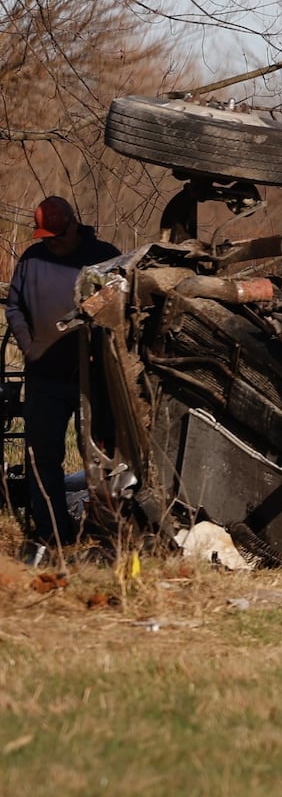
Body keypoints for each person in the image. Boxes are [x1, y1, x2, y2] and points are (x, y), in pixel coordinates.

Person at [5, 197, 120, 549]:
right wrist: (29, 345)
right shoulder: (32, 260)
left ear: (73, 225)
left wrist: (100, 351)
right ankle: (51, 534)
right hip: (45, 377)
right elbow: (14, 307)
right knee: (45, 459)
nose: (52, 243)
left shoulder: (105, 256)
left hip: (94, 379)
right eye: (46, 238)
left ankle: (104, 532)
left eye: (57, 237)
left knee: (101, 458)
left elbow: (121, 307)